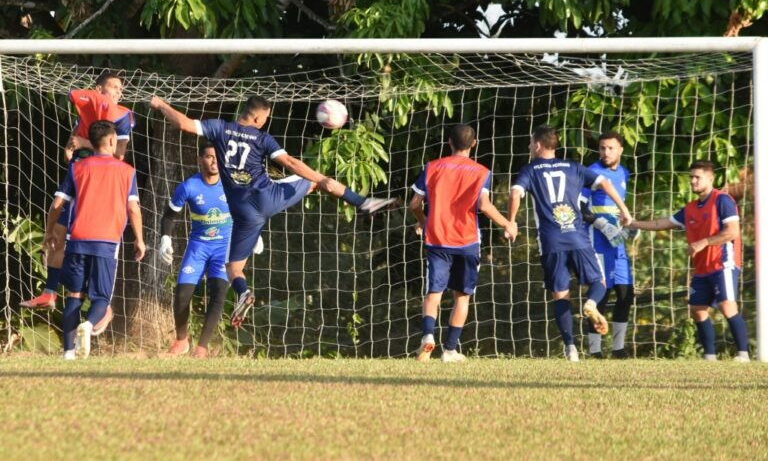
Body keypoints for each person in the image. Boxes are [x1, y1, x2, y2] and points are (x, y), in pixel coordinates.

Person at [149, 94, 397, 327]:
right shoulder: (262, 138)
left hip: (243, 212)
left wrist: (160, 104)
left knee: (234, 269)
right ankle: (362, 203)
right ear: (258, 118)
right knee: (313, 180)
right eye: (266, 118)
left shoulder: (219, 128)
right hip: (269, 198)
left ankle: (243, 292)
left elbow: (182, 123)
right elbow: (289, 162)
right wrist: (321, 180)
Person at [507, 125, 632, 362]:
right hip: (578, 237)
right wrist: (624, 210)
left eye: (531, 142)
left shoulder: (530, 169)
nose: (529, 146)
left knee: (561, 294)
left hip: (551, 241)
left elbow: (515, 194)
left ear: (538, 145)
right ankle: (591, 303)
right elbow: (605, 183)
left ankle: (570, 348)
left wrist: (511, 222)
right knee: (598, 282)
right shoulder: (573, 166)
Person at [21, 70, 134, 310]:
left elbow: (119, 155)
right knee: (58, 233)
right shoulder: (86, 113)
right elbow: (72, 141)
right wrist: (70, 148)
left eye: (120, 89)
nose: (118, 92)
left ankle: (100, 306)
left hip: (98, 185)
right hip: (77, 177)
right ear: (98, 89)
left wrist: (85, 144)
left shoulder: (122, 117)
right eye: (114, 87)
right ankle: (50, 293)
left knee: (82, 241)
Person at [410, 124, 515, 362]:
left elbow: (414, 204)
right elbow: (484, 206)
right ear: (474, 144)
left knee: (433, 293)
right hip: (467, 242)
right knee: (462, 297)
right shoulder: (481, 172)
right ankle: (449, 350)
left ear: (449, 142)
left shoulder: (432, 167)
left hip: (437, 240)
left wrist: (424, 222)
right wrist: (507, 224)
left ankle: (428, 336)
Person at [44, 120, 145, 359]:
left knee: (74, 294)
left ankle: (68, 353)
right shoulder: (127, 171)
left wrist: (49, 232)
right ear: (111, 140)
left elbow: (57, 204)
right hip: (106, 242)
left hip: (77, 240)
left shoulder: (77, 168)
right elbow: (133, 209)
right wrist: (139, 239)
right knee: (101, 298)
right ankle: (88, 326)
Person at [629, 160, 749, 362]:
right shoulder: (690, 208)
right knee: (697, 309)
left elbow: (732, 232)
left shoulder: (722, 200)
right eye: (691, 177)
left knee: (727, 305)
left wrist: (704, 242)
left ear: (710, 179)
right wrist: (633, 223)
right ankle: (709, 357)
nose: (693, 181)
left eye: (697, 177)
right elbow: (661, 223)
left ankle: (743, 355)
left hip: (723, 263)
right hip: (702, 268)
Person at [159, 142, 262, 358]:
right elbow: (169, 216)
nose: (214, 161)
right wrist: (165, 239)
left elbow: (248, 211)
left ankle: (202, 348)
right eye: (208, 157)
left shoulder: (232, 184)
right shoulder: (189, 187)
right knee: (182, 294)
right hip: (198, 247)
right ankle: (181, 341)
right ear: (200, 160)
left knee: (218, 291)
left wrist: (254, 235)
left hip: (224, 249)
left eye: (217, 157)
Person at [580, 131, 635, 358]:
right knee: (601, 293)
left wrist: (627, 226)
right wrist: (601, 224)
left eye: (610, 148)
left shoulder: (624, 173)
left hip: (617, 241)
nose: (606, 152)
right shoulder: (591, 172)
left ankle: (618, 349)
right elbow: (580, 207)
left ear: (620, 149)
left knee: (626, 293)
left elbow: (619, 207)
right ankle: (595, 351)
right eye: (602, 148)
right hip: (598, 242)